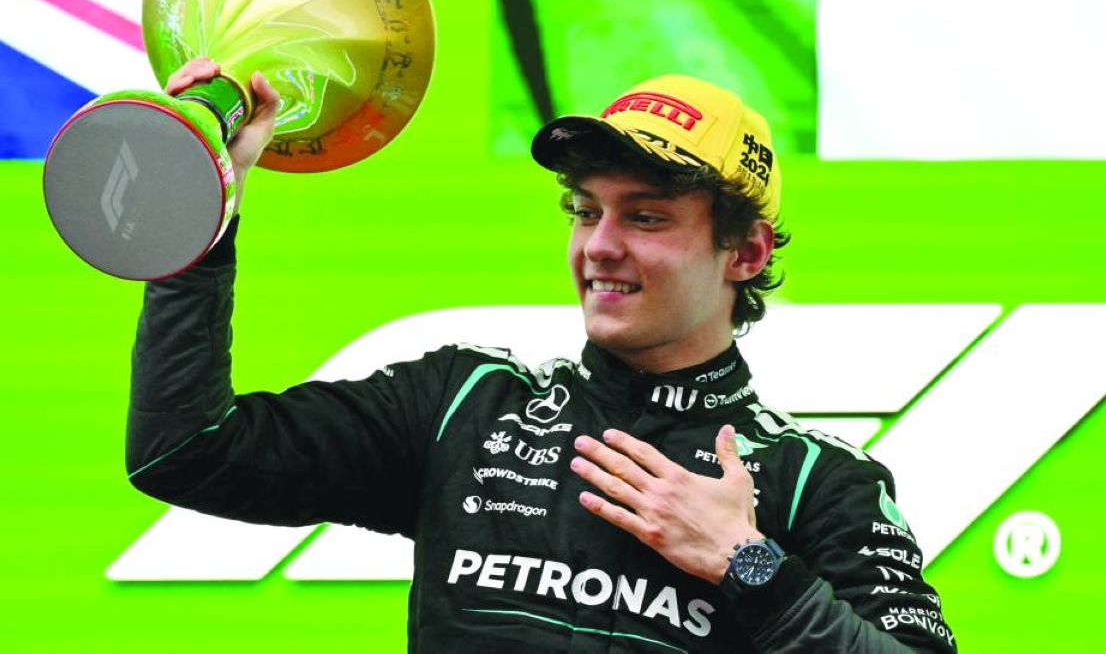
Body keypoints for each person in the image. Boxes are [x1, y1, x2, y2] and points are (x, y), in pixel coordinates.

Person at [127, 58, 956, 653]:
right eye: (584, 210)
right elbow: (186, 451)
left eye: (647, 217)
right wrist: (204, 215)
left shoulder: (817, 480)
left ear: (744, 253)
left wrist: (748, 564)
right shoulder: (466, 400)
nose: (599, 246)